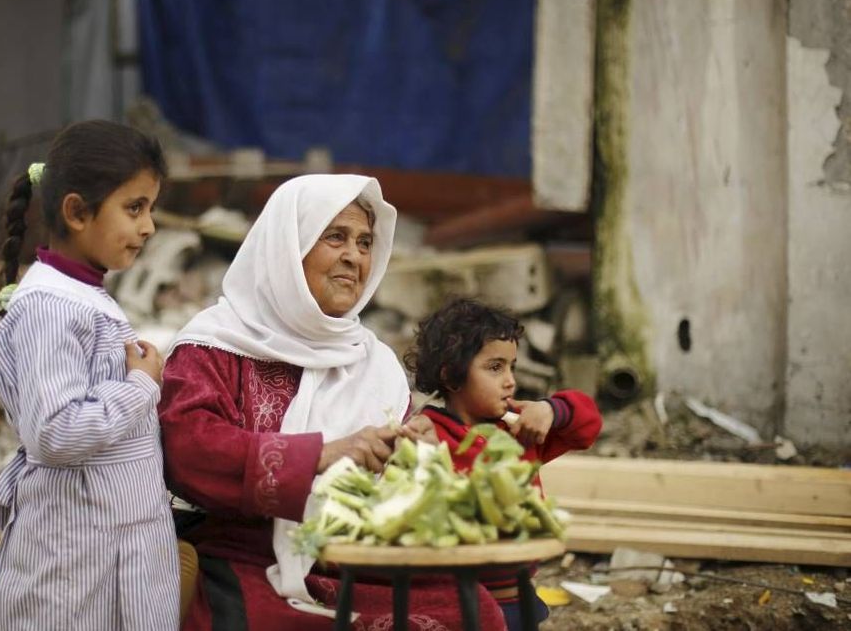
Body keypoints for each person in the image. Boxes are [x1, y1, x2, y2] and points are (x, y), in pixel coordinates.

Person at [158, 174, 507, 630]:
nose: (354, 256)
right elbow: (188, 453)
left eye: (365, 243)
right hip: (244, 550)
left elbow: (393, 483)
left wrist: (414, 453)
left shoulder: (372, 360)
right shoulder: (215, 345)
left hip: (353, 554)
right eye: (335, 237)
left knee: (471, 611)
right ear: (289, 246)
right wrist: (320, 455)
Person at [0, 120, 181, 630]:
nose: (148, 227)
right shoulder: (51, 308)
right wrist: (140, 387)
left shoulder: (84, 296)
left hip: (107, 548)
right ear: (76, 211)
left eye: (150, 209)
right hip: (71, 562)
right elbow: (54, 431)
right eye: (134, 208)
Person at [403, 298, 603, 630]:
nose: (510, 380)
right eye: (495, 367)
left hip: (519, 597)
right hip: (456, 602)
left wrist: (552, 410)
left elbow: (588, 426)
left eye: (512, 366)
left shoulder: (518, 432)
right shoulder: (428, 436)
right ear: (451, 375)